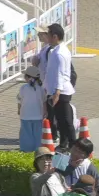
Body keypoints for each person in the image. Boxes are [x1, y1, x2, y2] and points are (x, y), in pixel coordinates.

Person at [42, 21, 77, 149]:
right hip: (56, 90)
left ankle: (72, 144)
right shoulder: (56, 50)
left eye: (48, 35)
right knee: (62, 120)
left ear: (55, 36)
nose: (47, 38)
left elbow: (60, 74)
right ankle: (64, 144)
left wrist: (56, 92)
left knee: (66, 121)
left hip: (61, 92)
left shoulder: (59, 53)